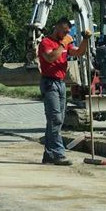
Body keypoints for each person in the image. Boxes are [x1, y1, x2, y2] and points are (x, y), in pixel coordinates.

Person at [38, 16, 91, 166]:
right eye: (64, 31)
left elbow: (79, 52)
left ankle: (49, 154)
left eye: (68, 31)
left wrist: (85, 40)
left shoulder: (65, 43)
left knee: (56, 121)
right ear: (57, 28)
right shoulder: (46, 43)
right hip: (49, 83)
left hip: (61, 84)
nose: (66, 34)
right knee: (56, 119)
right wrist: (63, 44)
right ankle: (59, 154)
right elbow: (50, 58)